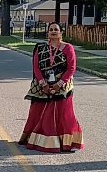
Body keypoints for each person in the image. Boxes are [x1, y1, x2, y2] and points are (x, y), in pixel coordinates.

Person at [18, 22, 83, 153]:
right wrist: (43, 84)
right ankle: (37, 139)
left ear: (61, 32)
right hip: (43, 85)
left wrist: (59, 84)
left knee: (64, 113)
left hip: (63, 85)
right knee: (40, 111)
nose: (53, 31)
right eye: (51, 29)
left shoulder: (68, 48)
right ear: (48, 33)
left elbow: (71, 68)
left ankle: (67, 143)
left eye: (56, 29)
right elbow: (36, 67)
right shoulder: (41, 48)